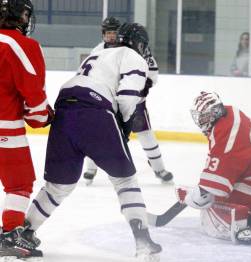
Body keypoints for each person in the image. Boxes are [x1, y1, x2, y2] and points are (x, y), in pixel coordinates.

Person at [23, 23, 162, 260]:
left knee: (58, 186)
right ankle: (143, 242)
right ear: (139, 43)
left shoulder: (98, 53)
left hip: (64, 109)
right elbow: (128, 97)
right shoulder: (133, 56)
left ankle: (24, 234)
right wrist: (124, 126)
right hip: (95, 111)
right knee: (124, 179)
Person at [176, 91, 251, 244]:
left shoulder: (225, 133)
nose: (201, 121)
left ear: (215, 113)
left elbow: (210, 192)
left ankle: (240, 225)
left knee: (212, 204)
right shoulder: (230, 112)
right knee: (227, 187)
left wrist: (191, 197)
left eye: (204, 116)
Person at [83, 20, 173, 185]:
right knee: (99, 133)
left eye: (113, 32)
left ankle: (159, 168)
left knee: (146, 135)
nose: (111, 36)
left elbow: (152, 73)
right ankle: (91, 168)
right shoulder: (100, 50)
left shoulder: (140, 49)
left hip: (134, 101)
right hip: (111, 101)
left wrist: (142, 89)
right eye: (108, 32)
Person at [0, 0, 54, 259]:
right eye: (23, 12)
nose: (25, 17)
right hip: (5, 128)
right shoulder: (23, 45)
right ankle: (11, 235)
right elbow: (33, 96)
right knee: (19, 183)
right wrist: (43, 116)